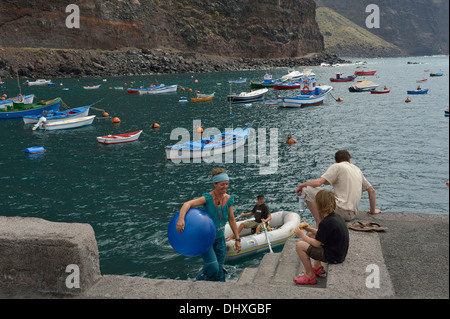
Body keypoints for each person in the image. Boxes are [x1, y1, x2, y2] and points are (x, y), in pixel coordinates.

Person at [176, 168, 241, 282]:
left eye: (227, 184)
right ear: (214, 184)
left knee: (220, 269)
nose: (225, 187)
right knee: (213, 266)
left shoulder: (229, 199)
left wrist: (237, 239)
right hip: (206, 239)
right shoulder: (207, 198)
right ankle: (199, 281)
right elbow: (187, 204)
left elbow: (231, 219)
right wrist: (181, 219)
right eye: (222, 184)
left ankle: (220, 289)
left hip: (220, 239)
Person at [295, 150, 381, 225]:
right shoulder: (357, 169)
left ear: (336, 161)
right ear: (349, 160)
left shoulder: (337, 166)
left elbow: (318, 183)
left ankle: (319, 224)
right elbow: (371, 190)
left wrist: (301, 185)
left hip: (340, 210)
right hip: (351, 215)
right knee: (326, 194)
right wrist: (372, 211)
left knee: (306, 189)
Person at [293, 189, 349, 285]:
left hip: (333, 257)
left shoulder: (325, 223)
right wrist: (310, 229)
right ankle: (317, 267)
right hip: (339, 254)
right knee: (312, 235)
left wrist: (302, 235)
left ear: (320, 205)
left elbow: (316, 243)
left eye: (316, 202)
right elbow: (323, 233)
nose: (314, 204)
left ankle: (309, 275)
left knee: (299, 246)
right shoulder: (335, 217)